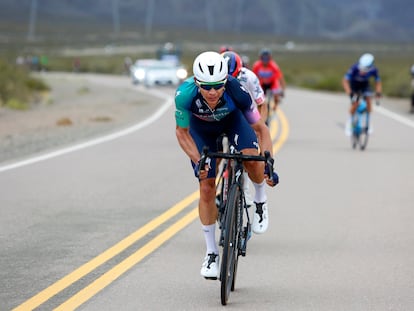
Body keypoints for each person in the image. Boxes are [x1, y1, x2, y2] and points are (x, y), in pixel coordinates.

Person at [175, 51, 279, 279]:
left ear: (226, 81)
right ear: (196, 82)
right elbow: (182, 134)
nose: (212, 92)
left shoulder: (237, 90)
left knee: (252, 158)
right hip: (201, 130)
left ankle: (260, 199)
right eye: (206, 86)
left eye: (218, 86)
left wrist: (268, 160)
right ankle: (212, 253)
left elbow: (261, 129)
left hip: (233, 122)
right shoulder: (184, 94)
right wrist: (198, 159)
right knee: (206, 186)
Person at [221, 50, 267, 207]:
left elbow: (261, 104)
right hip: (224, 115)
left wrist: (258, 127)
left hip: (246, 115)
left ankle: (245, 187)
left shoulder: (249, 77)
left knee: (247, 155)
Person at [342, 53, 382, 134]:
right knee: (356, 102)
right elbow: (345, 81)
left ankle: (368, 123)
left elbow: (378, 82)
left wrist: (378, 92)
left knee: (368, 100)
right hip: (354, 86)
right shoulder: (354, 68)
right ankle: (349, 123)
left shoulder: (374, 69)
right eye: (362, 69)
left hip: (365, 85)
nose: (363, 72)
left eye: (365, 69)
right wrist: (349, 92)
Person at [252, 48, 286, 115]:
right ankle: (261, 109)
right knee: (260, 97)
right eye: (263, 57)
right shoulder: (256, 65)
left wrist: (283, 90)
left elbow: (280, 78)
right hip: (262, 83)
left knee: (276, 93)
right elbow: (253, 77)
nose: (265, 59)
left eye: (267, 58)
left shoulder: (274, 66)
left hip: (272, 83)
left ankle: (275, 105)